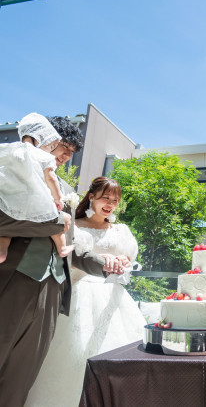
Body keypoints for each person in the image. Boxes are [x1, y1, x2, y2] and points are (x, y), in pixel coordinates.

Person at [0, 117, 126, 407]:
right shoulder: (12, 168)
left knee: (22, 377)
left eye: (71, 153)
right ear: (47, 139)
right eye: (63, 147)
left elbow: (72, 247)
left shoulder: (65, 189)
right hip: (11, 282)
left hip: (53, 293)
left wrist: (104, 264)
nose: (66, 156)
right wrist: (56, 222)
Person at [26, 177, 146, 407]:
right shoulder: (74, 225)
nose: (110, 203)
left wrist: (123, 262)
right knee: (73, 355)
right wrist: (102, 260)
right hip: (78, 295)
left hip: (113, 299)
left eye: (115, 200)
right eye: (105, 198)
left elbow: (130, 264)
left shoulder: (121, 230)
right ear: (91, 197)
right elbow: (67, 259)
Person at [0, 113, 73, 262]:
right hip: (34, 205)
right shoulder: (44, 157)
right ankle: (63, 248)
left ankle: (1, 252)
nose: (49, 149)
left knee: (4, 235)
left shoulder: (9, 150)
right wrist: (59, 199)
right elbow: (51, 178)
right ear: (41, 138)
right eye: (51, 145)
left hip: (7, 202)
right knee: (57, 224)